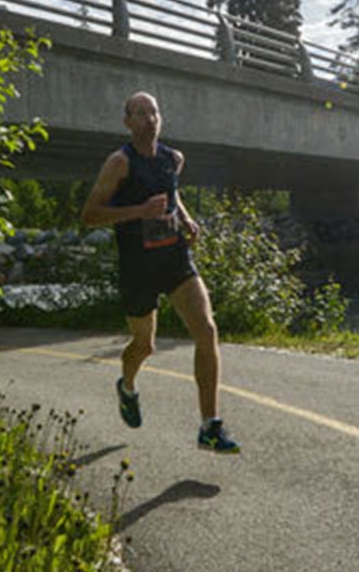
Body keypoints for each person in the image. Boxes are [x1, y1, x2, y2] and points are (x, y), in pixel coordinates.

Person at [80, 91, 240, 453]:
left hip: (174, 259)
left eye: (154, 112)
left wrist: (185, 218)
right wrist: (139, 211)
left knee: (206, 330)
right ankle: (127, 387)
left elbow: (171, 193)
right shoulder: (119, 163)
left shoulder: (173, 159)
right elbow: (90, 215)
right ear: (127, 122)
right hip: (138, 267)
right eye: (140, 113)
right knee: (144, 345)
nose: (149, 119)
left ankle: (210, 426)